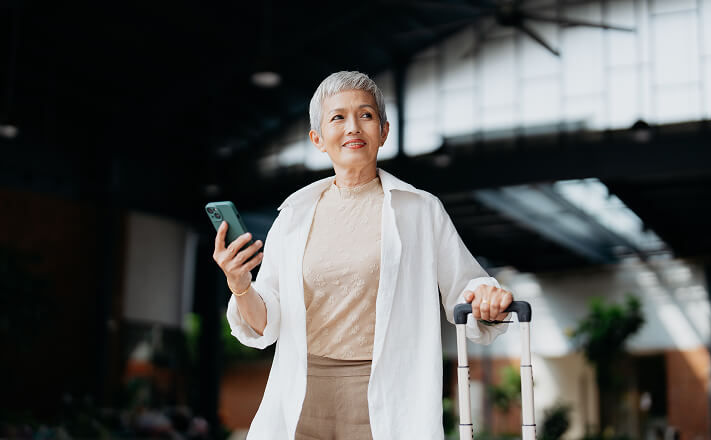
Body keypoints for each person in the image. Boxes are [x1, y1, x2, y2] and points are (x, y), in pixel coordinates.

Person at [212, 71, 515, 440]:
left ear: (384, 131)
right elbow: (265, 324)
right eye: (337, 117)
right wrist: (241, 287)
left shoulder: (420, 211)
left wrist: (487, 295)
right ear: (318, 139)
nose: (353, 127)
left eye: (366, 115)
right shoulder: (292, 217)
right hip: (302, 393)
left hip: (386, 396)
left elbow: (467, 287)